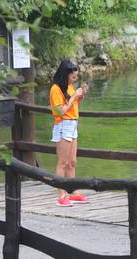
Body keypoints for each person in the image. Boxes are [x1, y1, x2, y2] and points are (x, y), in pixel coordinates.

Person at [50, 59, 89, 207]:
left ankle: (73, 192)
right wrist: (74, 96)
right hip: (63, 124)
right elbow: (60, 111)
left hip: (73, 124)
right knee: (63, 162)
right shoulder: (55, 89)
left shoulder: (70, 86)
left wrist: (80, 95)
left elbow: (73, 105)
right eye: (73, 76)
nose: (75, 78)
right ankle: (61, 194)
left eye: (76, 76)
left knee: (72, 162)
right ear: (66, 74)